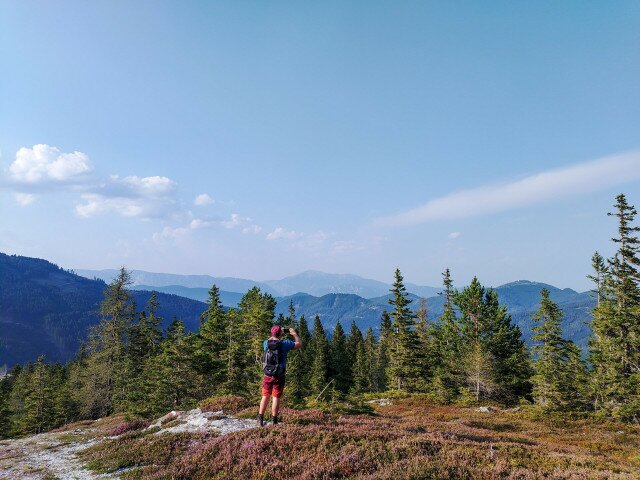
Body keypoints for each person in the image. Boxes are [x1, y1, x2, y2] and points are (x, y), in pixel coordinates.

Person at [258, 325, 301, 426]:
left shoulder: (266, 343)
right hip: (279, 375)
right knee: (276, 397)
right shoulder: (285, 344)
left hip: (267, 374)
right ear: (281, 334)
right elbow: (298, 344)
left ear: (272, 333)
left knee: (265, 396)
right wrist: (294, 334)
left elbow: (269, 340)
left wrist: (275, 334)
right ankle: (274, 420)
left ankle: (260, 418)